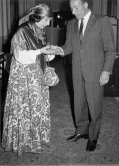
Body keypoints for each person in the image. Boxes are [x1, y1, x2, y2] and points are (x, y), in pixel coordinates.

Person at [52, 0, 116, 151]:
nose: (73, 12)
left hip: (95, 71)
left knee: (94, 105)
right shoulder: (71, 24)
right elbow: (68, 47)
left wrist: (106, 70)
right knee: (78, 102)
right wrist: (56, 50)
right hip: (77, 71)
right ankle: (82, 131)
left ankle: (93, 137)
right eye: (71, 8)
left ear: (86, 5)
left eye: (76, 7)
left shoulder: (102, 21)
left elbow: (110, 49)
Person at [1, 4, 57, 156]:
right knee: (27, 107)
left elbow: (42, 54)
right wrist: (40, 51)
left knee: (37, 107)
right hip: (24, 77)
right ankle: (25, 143)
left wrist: (51, 52)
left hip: (37, 74)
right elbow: (19, 56)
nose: (48, 23)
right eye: (46, 20)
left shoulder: (40, 31)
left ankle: (36, 139)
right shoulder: (22, 31)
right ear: (38, 18)